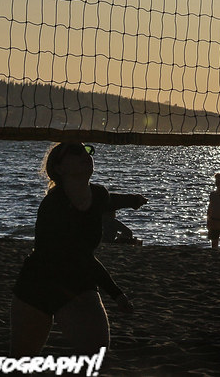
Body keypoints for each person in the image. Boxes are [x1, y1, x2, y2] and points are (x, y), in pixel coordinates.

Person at [10, 142, 148, 355]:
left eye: (87, 149)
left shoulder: (99, 194)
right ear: (59, 168)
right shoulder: (53, 207)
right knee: (21, 362)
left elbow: (109, 202)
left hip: (78, 282)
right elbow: (79, 255)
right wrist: (116, 294)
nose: (84, 153)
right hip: (38, 284)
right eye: (74, 151)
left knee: (96, 353)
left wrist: (133, 200)